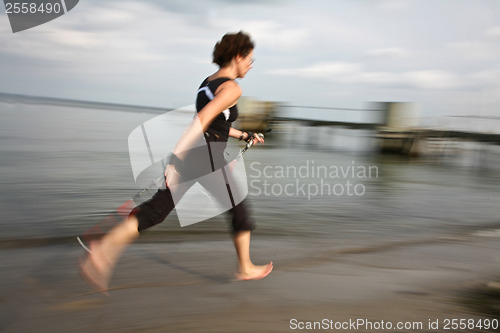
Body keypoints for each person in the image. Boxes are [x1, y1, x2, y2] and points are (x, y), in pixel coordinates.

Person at [79, 31, 273, 293]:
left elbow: (216, 123)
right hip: (205, 157)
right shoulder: (232, 88)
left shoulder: (208, 83)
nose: (251, 65)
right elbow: (200, 122)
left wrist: (244, 135)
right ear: (238, 56)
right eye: (250, 59)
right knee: (239, 210)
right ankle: (245, 267)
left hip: (197, 155)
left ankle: (103, 251)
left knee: (156, 211)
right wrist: (174, 159)